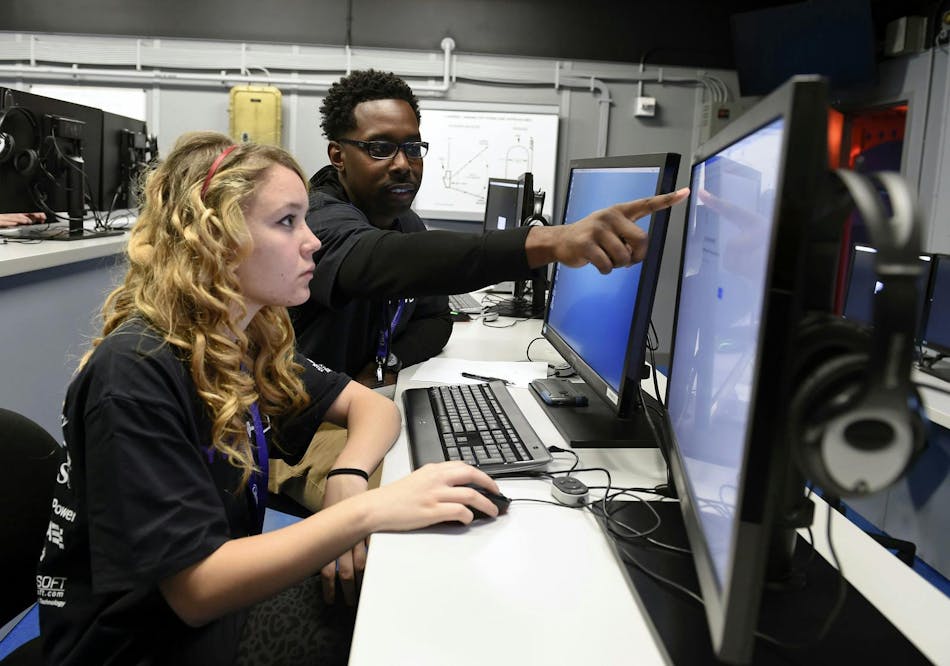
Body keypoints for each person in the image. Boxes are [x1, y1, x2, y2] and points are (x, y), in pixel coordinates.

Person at [36, 131, 505, 666]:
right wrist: (367, 514)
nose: (313, 242)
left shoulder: (237, 337)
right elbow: (195, 592)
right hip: (138, 645)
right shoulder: (137, 370)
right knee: (394, 617)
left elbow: (370, 406)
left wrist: (347, 481)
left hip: (204, 612)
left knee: (394, 585)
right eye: (287, 222)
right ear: (216, 240)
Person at [273, 69, 689, 511]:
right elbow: (380, 261)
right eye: (380, 148)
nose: (402, 163)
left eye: (413, 148)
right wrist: (550, 241)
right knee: (419, 506)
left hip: (363, 408)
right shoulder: (317, 221)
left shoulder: (402, 222)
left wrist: (386, 365)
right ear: (338, 155)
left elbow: (436, 321)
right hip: (301, 432)